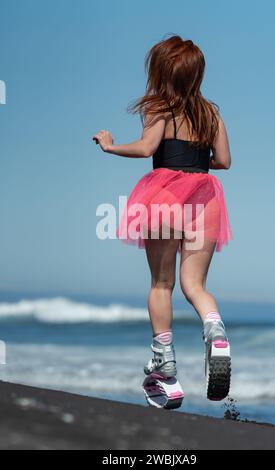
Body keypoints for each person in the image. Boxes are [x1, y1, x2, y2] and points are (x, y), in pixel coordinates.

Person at [93, 34, 233, 401]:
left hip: (166, 195)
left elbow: (146, 149)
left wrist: (110, 146)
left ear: (161, 70)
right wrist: (196, 163)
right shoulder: (212, 112)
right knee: (195, 287)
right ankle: (216, 333)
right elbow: (224, 161)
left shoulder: (158, 108)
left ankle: (165, 369)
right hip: (206, 196)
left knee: (161, 285)